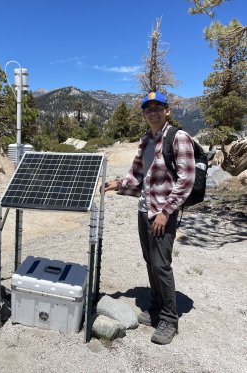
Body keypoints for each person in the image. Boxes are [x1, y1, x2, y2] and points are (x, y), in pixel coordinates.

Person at [104, 92, 195, 345]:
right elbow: (137, 176)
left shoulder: (179, 138)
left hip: (161, 213)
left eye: (157, 107)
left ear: (167, 110)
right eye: (148, 109)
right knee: (149, 260)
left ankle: (169, 318)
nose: (152, 112)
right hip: (144, 210)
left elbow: (186, 180)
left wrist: (166, 212)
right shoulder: (145, 141)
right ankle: (155, 307)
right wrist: (117, 184)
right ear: (144, 114)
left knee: (161, 265)